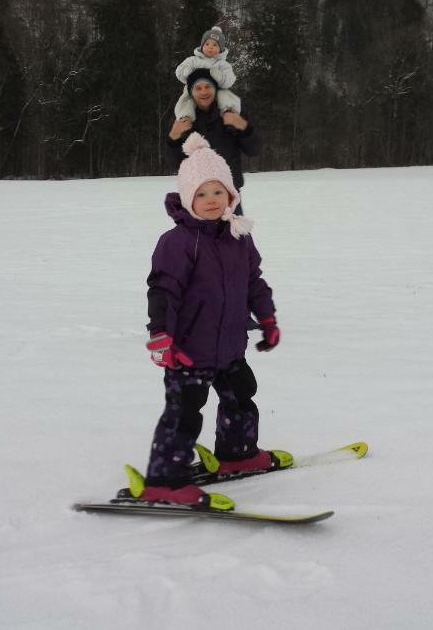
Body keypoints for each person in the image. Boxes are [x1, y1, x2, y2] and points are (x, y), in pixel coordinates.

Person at [125, 132, 291, 509]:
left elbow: (253, 281)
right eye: (202, 194)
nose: (212, 200)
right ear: (188, 199)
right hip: (189, 351)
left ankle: (238, 453)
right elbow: (163, 291)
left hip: (230, 346)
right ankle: (165, 479)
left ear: (231, 194)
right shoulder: (178, 242)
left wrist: (267, 317)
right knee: (183, 413)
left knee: (241, 397)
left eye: (218, 192)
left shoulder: (239, 236)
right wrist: (161, 336)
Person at [166, 60, 260, 208]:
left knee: (234, 232)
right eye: (198, 88)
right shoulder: (182, 118)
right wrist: (173, 137)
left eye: (208, 86)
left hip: (229, 195)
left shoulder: (233, 111)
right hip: (197, 196)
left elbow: (254, 150)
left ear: (215, 88)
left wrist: (243, 126)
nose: (204, 91)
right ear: (191, 91)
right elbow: (174, 163)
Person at [174, 26, 240, 122]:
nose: (210, 47)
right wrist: (185, 72)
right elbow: (179, 71)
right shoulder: (193, 60)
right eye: (207, 44)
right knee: (186, 100)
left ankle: (229, 114)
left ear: (221, 49)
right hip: (193, 90)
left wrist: (221, 77)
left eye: (215, 45)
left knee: (225, 96)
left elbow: (230, 80)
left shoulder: (222, 64)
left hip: (215, 92)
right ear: (202, 46)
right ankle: (185, 118)